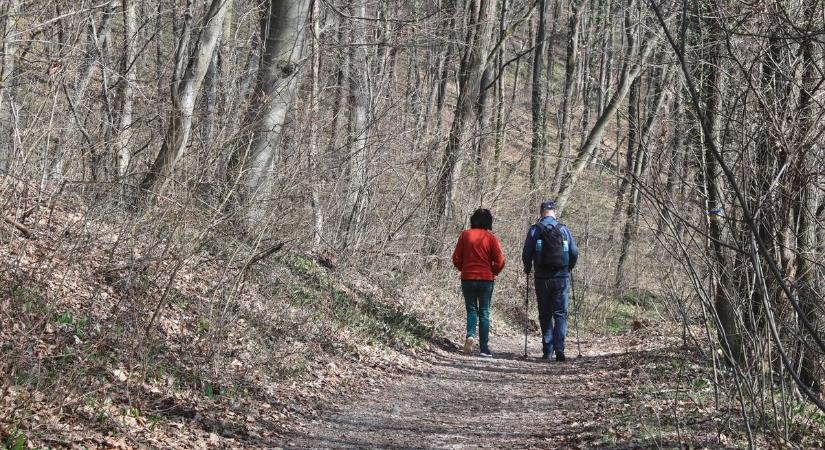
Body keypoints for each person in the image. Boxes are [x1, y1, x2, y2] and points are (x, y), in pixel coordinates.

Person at [521, 200, 578, 361]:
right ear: (555, 213)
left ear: (541, 212)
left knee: (545, 314)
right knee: (560, 313)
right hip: (561, 277)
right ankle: (560, 348)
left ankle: (548, 350)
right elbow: (574, 252)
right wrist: (569, 267)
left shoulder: (535, 229)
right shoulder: (564, 229)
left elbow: (527, 253)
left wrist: (527, 268)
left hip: (541, 278)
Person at [452, 208, 506, 357]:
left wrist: (463, 268)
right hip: (486, 279)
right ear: (489, 222)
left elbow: (456, 258)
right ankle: (484, 348)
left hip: (468, 278)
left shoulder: (465, 235)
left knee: (471, 309)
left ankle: (470, 335)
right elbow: (500, 260)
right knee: (484, 312)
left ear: (472, 220)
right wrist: (494, 271)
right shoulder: (491, 238)